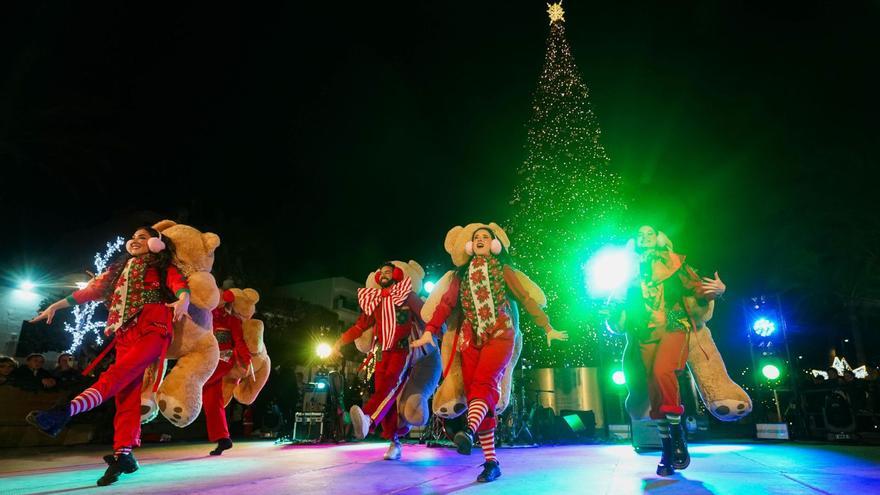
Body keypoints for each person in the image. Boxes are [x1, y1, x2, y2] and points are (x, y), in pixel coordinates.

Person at [26, 226, 190, 486]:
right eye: (134, 237)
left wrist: (184, 299)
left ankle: (64, 412)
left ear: (157, 245)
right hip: (124, 334)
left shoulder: (162, 268)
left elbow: (179, 285)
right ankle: (123, 454)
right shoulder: (116, 272)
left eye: (143, 237)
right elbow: (88, 291)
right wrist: (56, 305)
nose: (135, 240)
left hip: (153, 328)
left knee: (114, 377)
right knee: (126, 395)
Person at [413, 223, 568, 482]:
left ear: (494, 244)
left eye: (486, 236)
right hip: (470, 339)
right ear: (470, 246)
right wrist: (429, 329)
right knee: (478, 395)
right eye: (477, 238)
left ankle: (469, 430)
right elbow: (445, 304)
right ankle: (491, 462)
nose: (482, 240)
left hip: (500, 334)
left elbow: (526, 297)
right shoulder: (459, 276)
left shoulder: (504, 270)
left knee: (484, 385)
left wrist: (547, 326)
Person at [608, 225, 726, 477]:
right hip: (644, 332)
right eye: (640, 235)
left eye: (649, 233)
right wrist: (613, 310)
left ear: (659, 238)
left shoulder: (674, 263)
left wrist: (719, 290)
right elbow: (616, 305)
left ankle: (677, 435)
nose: (644, 237)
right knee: (653, 387)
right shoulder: (628, 271)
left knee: (663, 371)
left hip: (674, 326)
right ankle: (666, 450)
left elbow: (697, 288)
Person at [330, 262, 425, 461]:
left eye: (388, 272)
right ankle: (394, 442)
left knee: (391, 384)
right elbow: (359, 327)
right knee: (384, 394)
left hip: (401, 350)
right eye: (382, 272)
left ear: (396, 275)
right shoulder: (375, 302)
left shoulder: (406, 296)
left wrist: (439, 333)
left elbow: (426, 315)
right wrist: (339, 342)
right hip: (381, 352)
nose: (384, 274)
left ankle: (368, 419)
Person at [201, 289, 252, 456]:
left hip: (223, 360)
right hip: (209, 358)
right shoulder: (206, 315)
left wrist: (247, 360)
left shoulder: (232, 320)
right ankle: (223, 438)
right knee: (212, 400)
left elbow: (239, 341)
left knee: (201, 381)